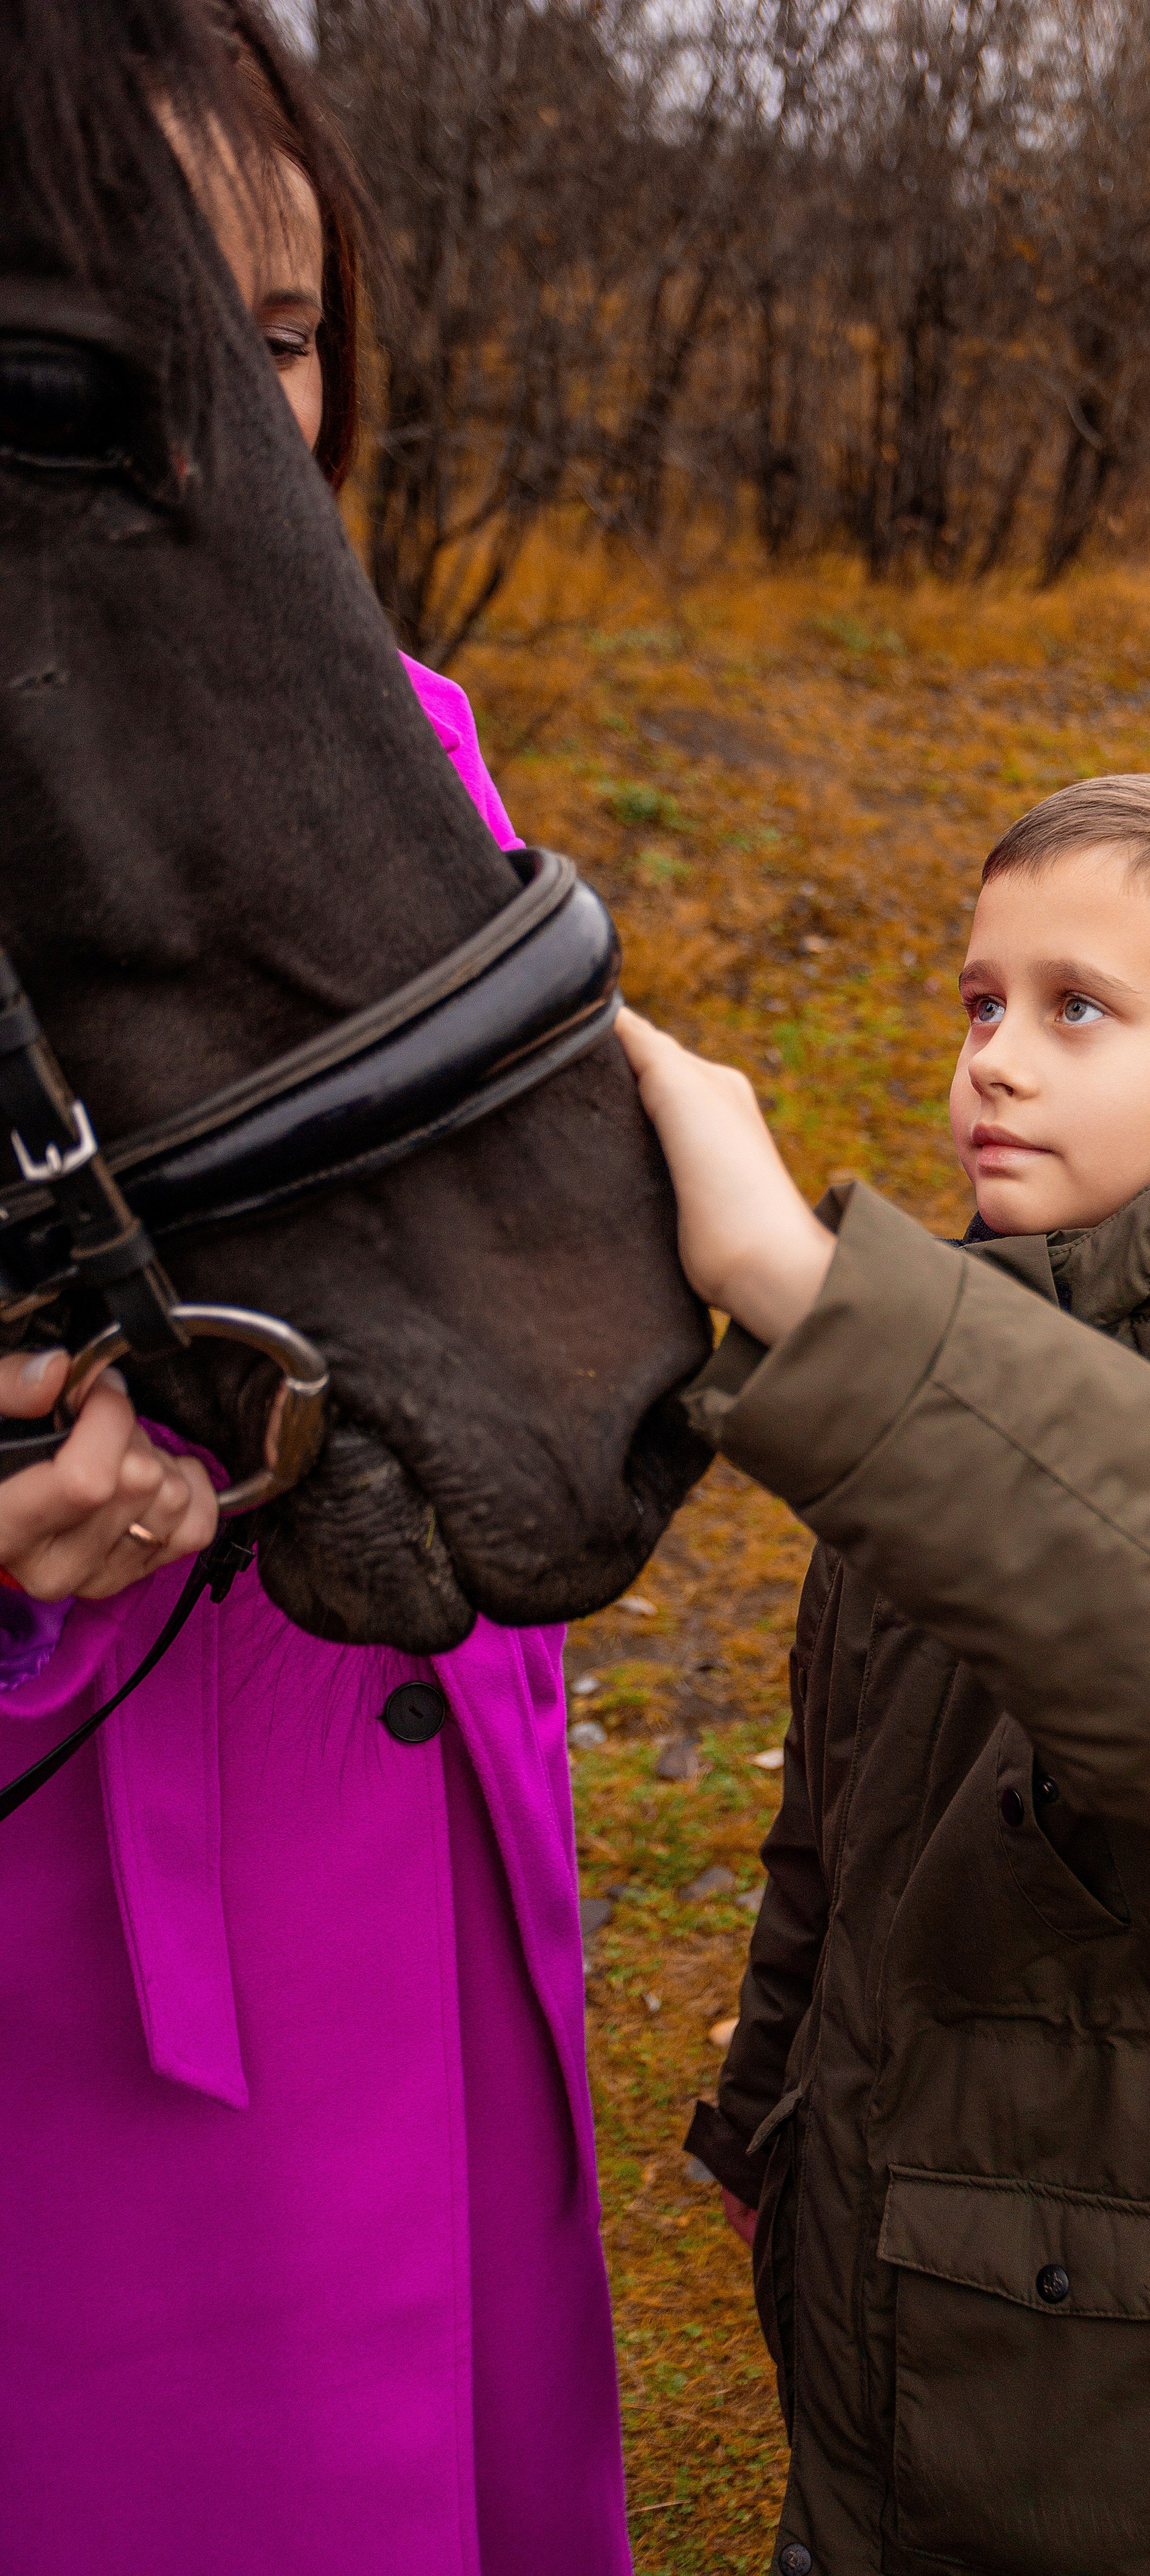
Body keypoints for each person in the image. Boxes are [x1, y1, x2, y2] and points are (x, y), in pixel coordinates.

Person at [0, 14, 630, 2571]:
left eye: (286, 333)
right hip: (131, 2007)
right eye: (143, 364)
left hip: (445, 1842)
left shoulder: (421, 752)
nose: (264, 425)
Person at [619, 774, 1150, 2576]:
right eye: (981, 1003)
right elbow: (850, 1817)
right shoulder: (986, 1336)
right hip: (899, 2250)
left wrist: (799, 1281)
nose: (998, 1061)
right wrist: (771, 2096)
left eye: (1077, 1008)